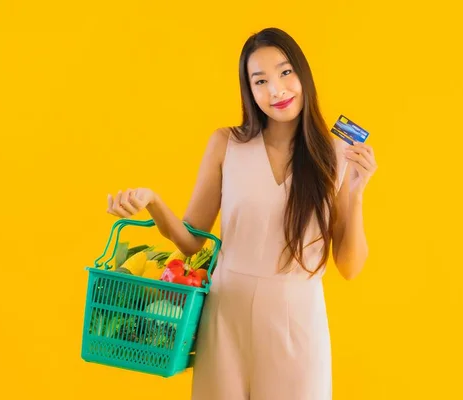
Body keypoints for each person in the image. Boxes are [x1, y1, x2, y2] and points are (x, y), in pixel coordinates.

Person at [106, 27, 378, 400]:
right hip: (225, 317)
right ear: (248, 90)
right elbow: (191, 242)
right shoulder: (226, 144)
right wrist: (153, 200)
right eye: (260, 80)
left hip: (297, 324)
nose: (276, 90)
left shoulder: (336, 154)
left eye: (285, 73)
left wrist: (357, 191)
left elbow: (349, 266)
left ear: (303, 75)